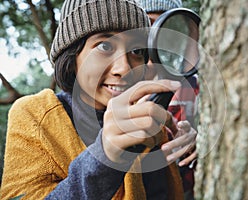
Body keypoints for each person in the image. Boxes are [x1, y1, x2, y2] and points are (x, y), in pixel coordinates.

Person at [0, 0, 197, 199]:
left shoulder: (149, 120)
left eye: (137, 51)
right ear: (72, 55)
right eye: (105, 46)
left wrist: (189, 158)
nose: (125, 68)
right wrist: (104, 158)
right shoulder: (34, 115)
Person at [140, 0, 199, 199]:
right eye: (146, 26)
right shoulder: (115, 84)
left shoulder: (198, 88)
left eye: (165, 29)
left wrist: (203, 143)